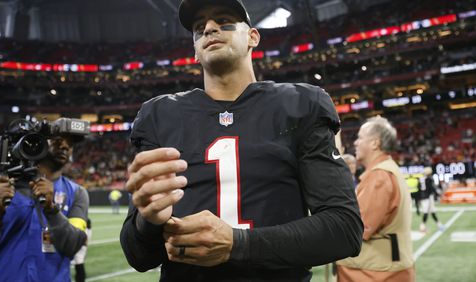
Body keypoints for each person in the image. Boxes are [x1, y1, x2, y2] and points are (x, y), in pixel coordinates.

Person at [120, 0, 363, 281]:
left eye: (224, 22)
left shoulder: (300, 104)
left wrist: (238, 244)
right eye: (200, 28)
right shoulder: (159, 115)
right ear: (195, 52)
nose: (210, 28)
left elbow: (344, 230)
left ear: (252, 37)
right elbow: (138, 256)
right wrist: (149, 221)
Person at [0, 134, 89, 281]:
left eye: (70, 143)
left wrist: (52, 209)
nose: (65, 146)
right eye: (57, 140)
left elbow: (72, 246)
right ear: (37, 142)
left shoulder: (77, 193)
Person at [337, 116, 414, 282]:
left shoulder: (379, 176)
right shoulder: (386, 170)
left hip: (374, 273)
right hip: (381, 269)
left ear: (375, 143)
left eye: (360, 137)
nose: (355, 142)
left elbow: (357, 229)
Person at [419, 167, 444, 232]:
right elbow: (432, 188)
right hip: (428, 197)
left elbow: (419, 188)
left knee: (431, 211)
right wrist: (438, 195)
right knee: (427, 212)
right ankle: (422, 226)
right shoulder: (429, 179)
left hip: (423, 197)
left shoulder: (421, 179)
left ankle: (439, 224)